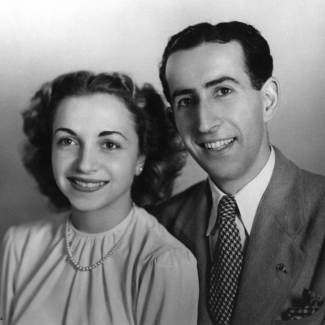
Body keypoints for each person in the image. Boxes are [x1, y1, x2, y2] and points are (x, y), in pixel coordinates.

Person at [148, 21, 325, 324]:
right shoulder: (158, 226)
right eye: (186, 101)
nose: (204, 123)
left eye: (223, 91)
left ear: (268, 100)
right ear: (173, 119)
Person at [0, 71, 199, 325]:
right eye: (68, 140)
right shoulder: (20, 246)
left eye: (109, 144)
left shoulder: (165, 264)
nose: (85, 165)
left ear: (140, 158)